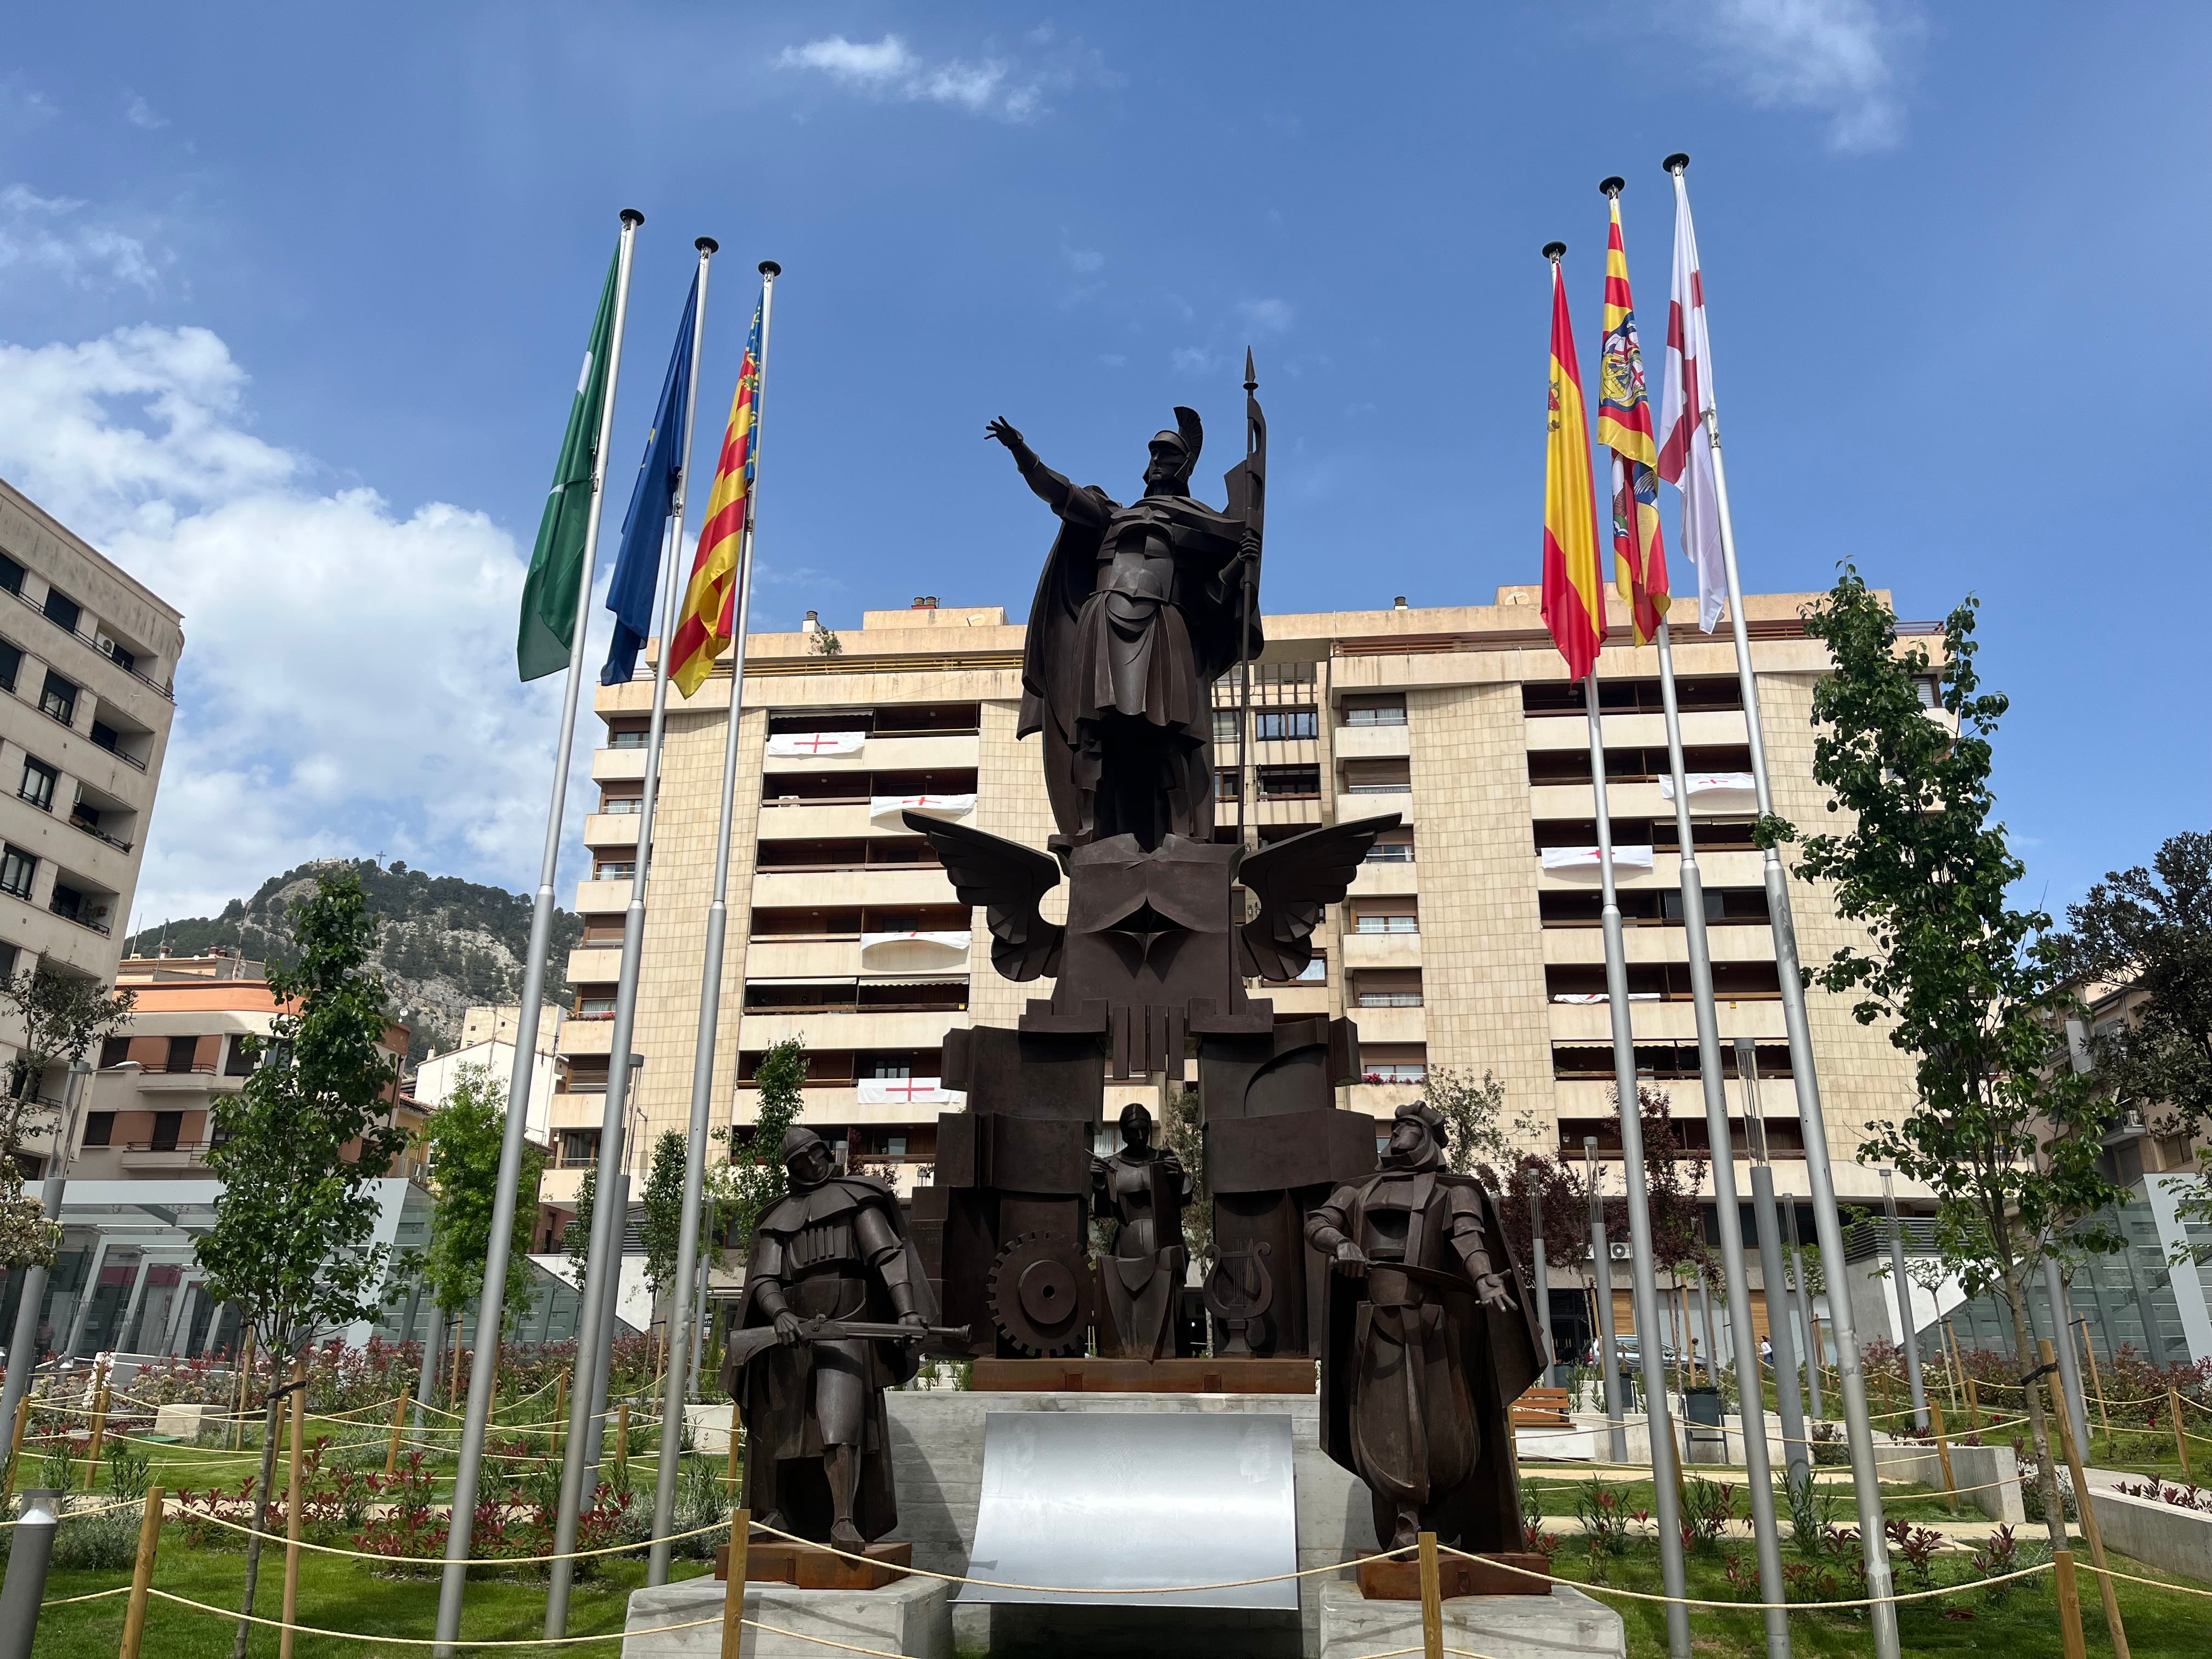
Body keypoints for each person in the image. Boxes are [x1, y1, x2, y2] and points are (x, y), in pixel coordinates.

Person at [988, 410, 1261, 853]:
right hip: (1103, 618)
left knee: (1172, 732)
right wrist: (1022, 452)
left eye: (1168, 453)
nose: (1156, 460)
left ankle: (1182, 832)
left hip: (1165, 622)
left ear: (1186, 465)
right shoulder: (1111, 513)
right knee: (1092, 731)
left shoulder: (1203, 523)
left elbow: (1210, 599)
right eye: (1154, 452)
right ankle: (1088, 826)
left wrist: (1240, 562)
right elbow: (1060, 493)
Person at [1305, 1100, 1544, 1552]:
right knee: (1385, 1424)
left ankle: (1438, 1517)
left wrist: (1483, 1276)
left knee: (1443, 1424)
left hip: (1432, 1324)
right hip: (1375, 1325)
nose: (1396, 1133)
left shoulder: (1454, 1191)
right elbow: (1318, 1223)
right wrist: (1341, 1245)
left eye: (1407, 1127)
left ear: (1428, 1138)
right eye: (1395, 1128)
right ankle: (1406, 1517)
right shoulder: (1358, 1190)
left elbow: (1469, 1237)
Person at [720, 1127, 936, 1548]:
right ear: (791, 1169)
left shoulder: (855, 1199)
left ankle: (843, 1519)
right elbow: (764, 1279)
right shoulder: (778, 1217)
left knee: (842, 1423)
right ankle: (777, 1512)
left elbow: (889, 1259)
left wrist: (907, 1310)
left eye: (815, 1155)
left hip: (846, 1326)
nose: (812, 1165)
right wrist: (780, 1314)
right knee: (782, 1425)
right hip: (789, 1335)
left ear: (825, 1152)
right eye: (800, 1162)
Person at [1090, 1103, 1192, 1359]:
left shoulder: (1165, 1158)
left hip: (1165, 1241)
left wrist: (1179, 1177)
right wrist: (1099, 1183)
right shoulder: (1112, 1164)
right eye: (1133, 1131)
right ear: (1123, 1133)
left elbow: (1185, 1197)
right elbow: (1103, 1210)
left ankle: (1171, 1352)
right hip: (1129, 1244)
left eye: (1144, 1130)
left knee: (1168, 1303)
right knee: (1127, 1302)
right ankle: (1126, 1350)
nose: (1139, 1136)